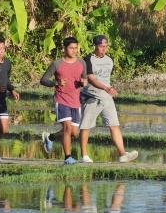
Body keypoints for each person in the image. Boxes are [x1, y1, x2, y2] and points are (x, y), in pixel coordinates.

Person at [78, 35, 138, 163]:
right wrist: (106, 88)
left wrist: (108, 89)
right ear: (95, 46)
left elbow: (106, 78)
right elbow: (91, 78)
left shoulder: (110, 60)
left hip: (107, 97)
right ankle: (84, 156)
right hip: (91, 96)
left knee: (114, 125)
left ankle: (122, 154)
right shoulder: (87, 60)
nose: (103, 49)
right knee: (86, 126)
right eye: (101, 46)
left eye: (105, 46)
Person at [39, 37, 86, 165]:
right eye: (71, 48)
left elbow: (84, 80)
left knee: (74, 132)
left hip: (76, 101)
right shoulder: (57, 64)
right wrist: (56, 82)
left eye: (76, 48)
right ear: (64, 49)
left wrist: (83, 82)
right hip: (62, 99)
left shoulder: (82, 63)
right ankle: (68, 157)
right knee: (66, 128)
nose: (74, 50)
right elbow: (43, 80)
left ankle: (51, 137)